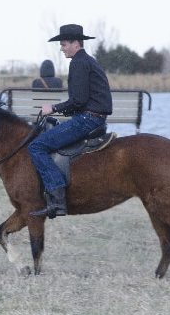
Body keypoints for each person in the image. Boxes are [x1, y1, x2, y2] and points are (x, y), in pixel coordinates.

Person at [28, 24, 112, 219]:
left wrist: (53, 108)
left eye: (64, 44)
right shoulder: (87, 61)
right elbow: (80, 101)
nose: (62, 48)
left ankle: (57, 199)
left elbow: (79, 100)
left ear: (76, 43)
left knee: (36, 146)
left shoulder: (78, 63)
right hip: (92, 117)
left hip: (88, 120)